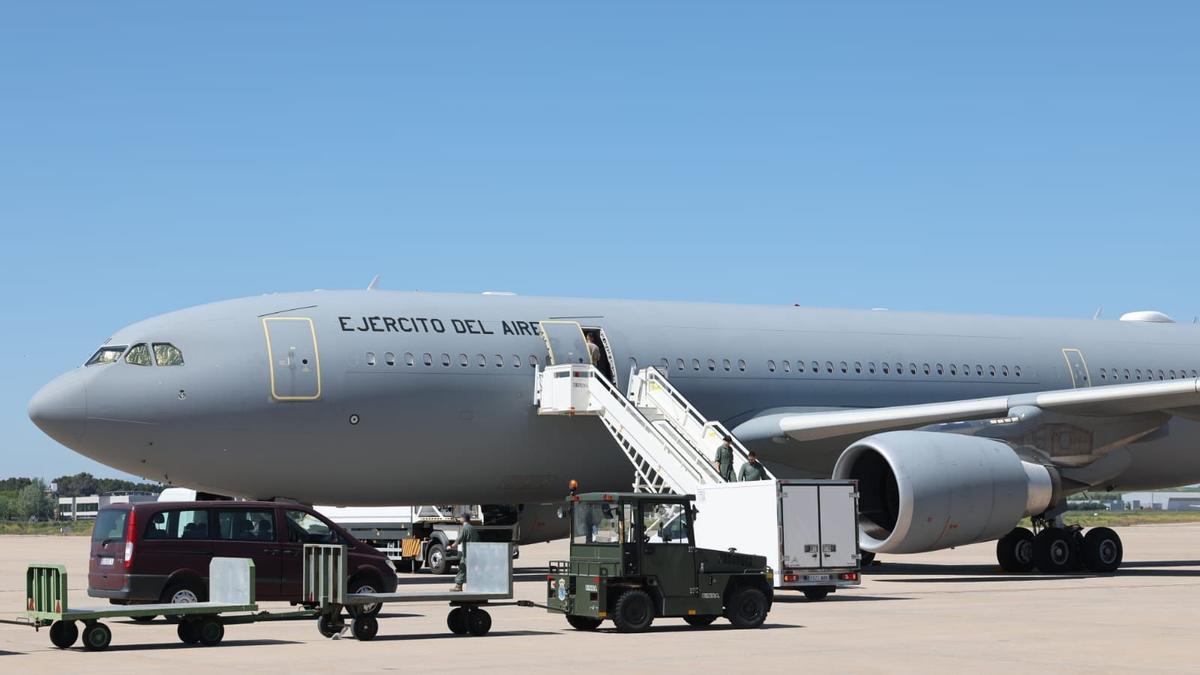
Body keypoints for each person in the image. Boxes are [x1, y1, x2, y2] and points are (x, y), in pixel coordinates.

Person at [449, 511, 478, 591]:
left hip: (467, 554)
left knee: (462, 568)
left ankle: (458, 586)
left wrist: (450, 546)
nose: (459, 519)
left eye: (460, 517)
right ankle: (475, 586)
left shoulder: (465, 528)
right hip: (474, 552)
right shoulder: (473, 528)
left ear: (463, 519)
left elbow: (459, 540)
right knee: (472, 570)